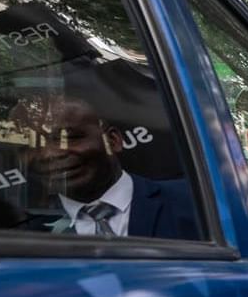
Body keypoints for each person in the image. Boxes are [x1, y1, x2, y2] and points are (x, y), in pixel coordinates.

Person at [17, 94, 200, 240]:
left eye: (67, 138)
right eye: (28, 146)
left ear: (112, 141)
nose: (48, 154)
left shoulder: (197, 204)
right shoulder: (20, 235)